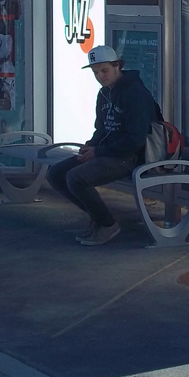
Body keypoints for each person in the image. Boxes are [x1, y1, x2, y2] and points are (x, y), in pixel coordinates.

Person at [46, 45, 157, 246]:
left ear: (117, 66)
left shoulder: (135, 93)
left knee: (76, 177)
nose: (100, 76)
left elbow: (135, 139)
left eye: (104, 70)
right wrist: (90, 147)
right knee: (55, 173)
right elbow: (102, 129)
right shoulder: (104, 93)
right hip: (109, 152)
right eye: (96, 72)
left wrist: (98, 151)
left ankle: (107, 223)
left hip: (132, 156)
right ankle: (98, 218)